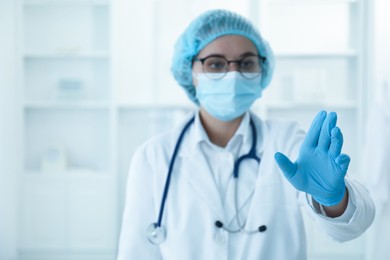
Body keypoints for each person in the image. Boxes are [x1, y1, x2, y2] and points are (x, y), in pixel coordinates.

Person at [117, 9, 375, 260]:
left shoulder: (286, 141)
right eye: (216, 64)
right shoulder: (153, 156)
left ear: (262, 70)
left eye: (246, 63)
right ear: (190, 70)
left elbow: (353, 226)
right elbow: (136, 251)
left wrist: (333, 198)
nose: (233, 74)